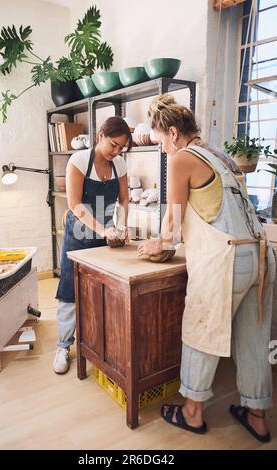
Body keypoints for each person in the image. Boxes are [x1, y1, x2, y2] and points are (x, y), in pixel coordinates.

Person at [138, 94, 276, 443]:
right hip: (261, 256)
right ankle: (257, 415)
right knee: (254, 338)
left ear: (172, 133)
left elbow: (172, 225)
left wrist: (158, 244)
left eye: (160, 143)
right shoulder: (221, 156)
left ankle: (193, 412)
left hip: (226, 261)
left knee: (201, 330)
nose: (162, 150)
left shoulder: (182, 158)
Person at [54, 116, 132, 374]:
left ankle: (98, 345)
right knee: (70, 290)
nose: (117, 151)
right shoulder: (78, 161)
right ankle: (63, 346)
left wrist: (121, 226)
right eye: (113, 144)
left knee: (100, 291)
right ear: (100, 136)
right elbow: (75, 204)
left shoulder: (119, 163)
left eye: (122, 147)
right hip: (79, 236)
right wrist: (102, 228)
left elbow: (123, 200)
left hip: (105, 238)